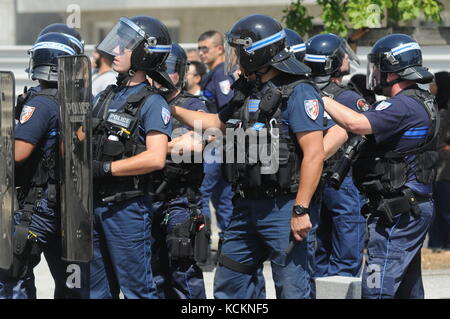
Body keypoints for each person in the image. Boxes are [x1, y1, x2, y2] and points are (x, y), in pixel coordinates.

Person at [172, 14, 326, 299]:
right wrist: (171, 108)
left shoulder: (298, 91)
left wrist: (301, 210)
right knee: (230, 287)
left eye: (239, 50)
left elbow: (315, 155)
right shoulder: (247, 91)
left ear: (257, 53)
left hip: (283, 207)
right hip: (244, 206)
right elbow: (216, 123)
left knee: (292, 290)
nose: (235, 57)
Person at [322, 33, 439, 299]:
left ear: (392, 69)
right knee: (407, 287)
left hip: (397, 210)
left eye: (377, 66)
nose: (373, 72)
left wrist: (322, 98)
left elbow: (356, 124)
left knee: (378, 284)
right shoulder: (419, 100)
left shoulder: (403, 105)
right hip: (409, 204)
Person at [89, 15, 173, 299]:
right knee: (97, 292)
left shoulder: (152, 101)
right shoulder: (106, 95)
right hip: (95, 205)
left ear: (143, 53)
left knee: (138, 291)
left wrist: (107, 168)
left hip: (127, 209)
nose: (117, 51)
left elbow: (155, 158)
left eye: (125, 47)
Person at [0, 32, 86, 299]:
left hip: (35, 210)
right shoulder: (73, 101)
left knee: (13, 278)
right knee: (72, 284)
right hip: (67, 208)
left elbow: (18, 153)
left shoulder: (42, 103)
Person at [303, 33, 368, 278]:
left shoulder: (302, 92)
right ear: (331, 63)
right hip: (341, 177)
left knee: (320, 239)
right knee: (347, 232)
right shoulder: (347, 97)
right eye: (341, 54)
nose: (346, 57)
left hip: (310, 175)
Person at [149, 43, 208, 299]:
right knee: (153, 277)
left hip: (181, 201)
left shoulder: (193, 105)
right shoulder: (145, 104)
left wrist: (152, 148)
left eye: (169, 70)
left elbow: (194, 144)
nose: (162, 76)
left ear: (181, 73)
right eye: (157, 70)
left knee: (184, 276)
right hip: (146, 199)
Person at [197, 30, 235, 251]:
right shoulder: (213, 73)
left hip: (216, 145)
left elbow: (228, 111)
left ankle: (201, 248)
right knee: (222, 198)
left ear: (219, 49)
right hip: (219, 145)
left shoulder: (221, 74)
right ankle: (226, 247)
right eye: (199, 48)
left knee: (203, 193)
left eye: (205, 48)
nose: (201, 52)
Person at [428, 71, 450, 250]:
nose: (430, 87)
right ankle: (436, 244)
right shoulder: (435, 106)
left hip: (446, 167)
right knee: (434, 208)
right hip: (433, 165)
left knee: (445, 208)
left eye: (433, 83)